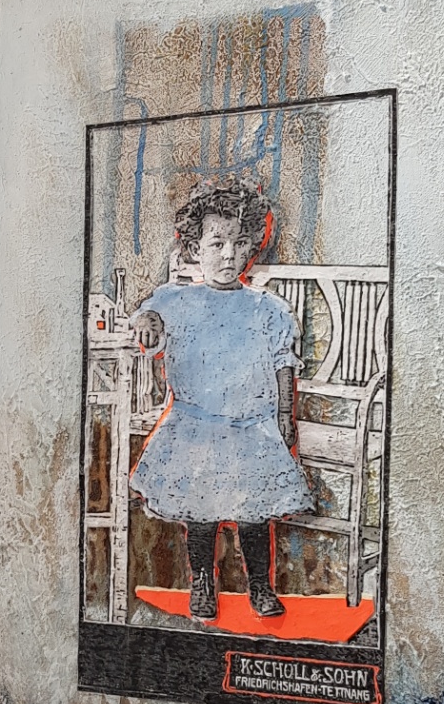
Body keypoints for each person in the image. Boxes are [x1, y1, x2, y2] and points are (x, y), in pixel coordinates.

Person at [129, 177, 312, 620]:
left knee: (254, 516)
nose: (229, 254)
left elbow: (283, 364)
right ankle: (203, 583)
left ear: (251, 246)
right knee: (201, 514)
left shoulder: (268, 309)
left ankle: (260, 586)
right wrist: (147, 321)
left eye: (238, 243)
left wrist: (285, 415)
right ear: (195, 249)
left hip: (252, 428)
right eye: (217, 244)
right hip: (196, 427)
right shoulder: (175, 300)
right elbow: (147, 321)